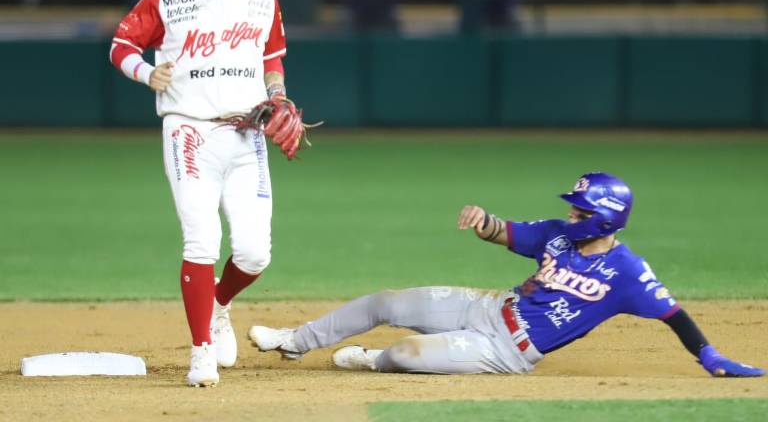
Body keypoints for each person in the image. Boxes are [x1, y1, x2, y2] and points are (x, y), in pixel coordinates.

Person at [248, 172, 764, 377]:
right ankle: (294, 339)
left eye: (583, 212)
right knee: (389, 301)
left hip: (506, 353)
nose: (573, 216)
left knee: (403, 354)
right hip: (488, 306)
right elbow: (506, 231)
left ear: (606, 219)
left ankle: (373, 360)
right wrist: (482, 221)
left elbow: (674, 314)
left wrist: (710, 356)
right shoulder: (559, 234)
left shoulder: (626, 271)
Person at [109, 0, 292, 387]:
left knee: (254, 254)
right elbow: (121, 44)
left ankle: (219, 304)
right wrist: (146, 73)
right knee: (202, 241)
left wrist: (276, 95)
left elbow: (271, 59)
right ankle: (201, 353)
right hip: (188, 130)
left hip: (246, 133)